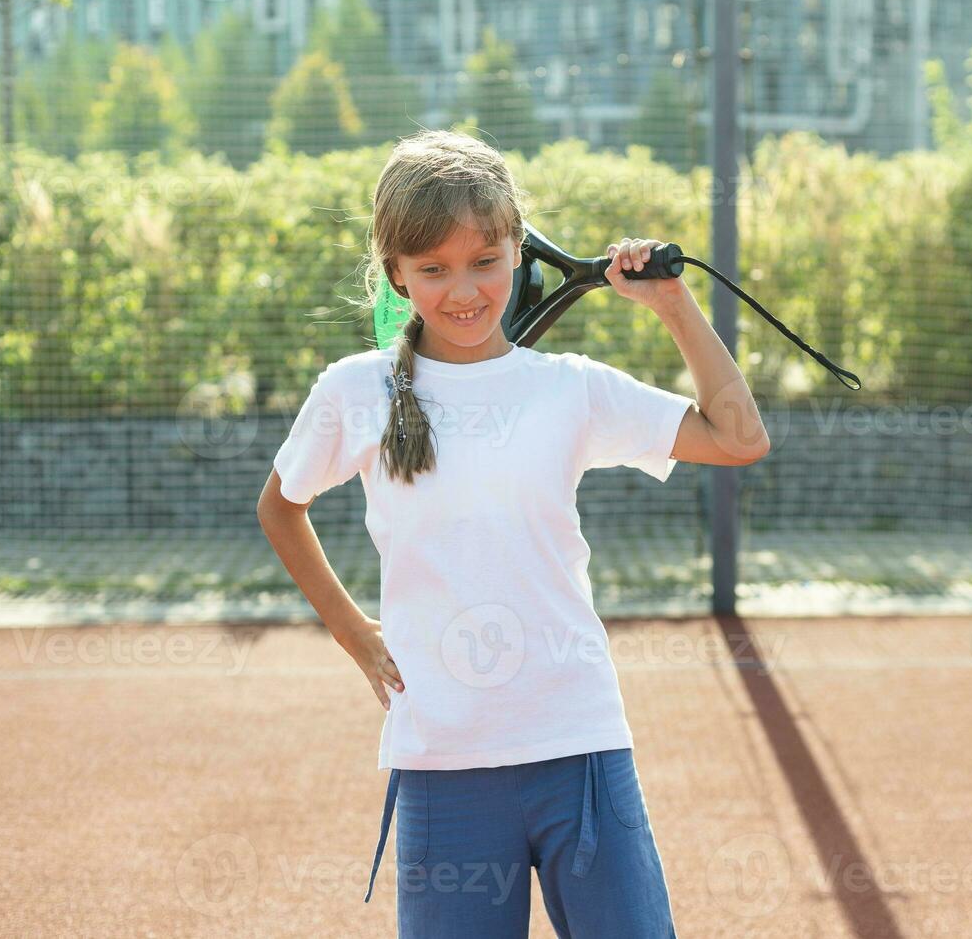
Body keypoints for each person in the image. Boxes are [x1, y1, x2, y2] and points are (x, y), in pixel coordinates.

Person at [257, 129, 771, 938]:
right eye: (433, 269)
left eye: (485, 261)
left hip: (581, 750)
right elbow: (280, 506)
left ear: (519, 253)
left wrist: (675, 306)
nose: (463, 290)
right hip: (442, 765)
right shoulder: (352, 390)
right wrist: (352, 630)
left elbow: (739, 438)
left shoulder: (571, 390)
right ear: (395, 272)